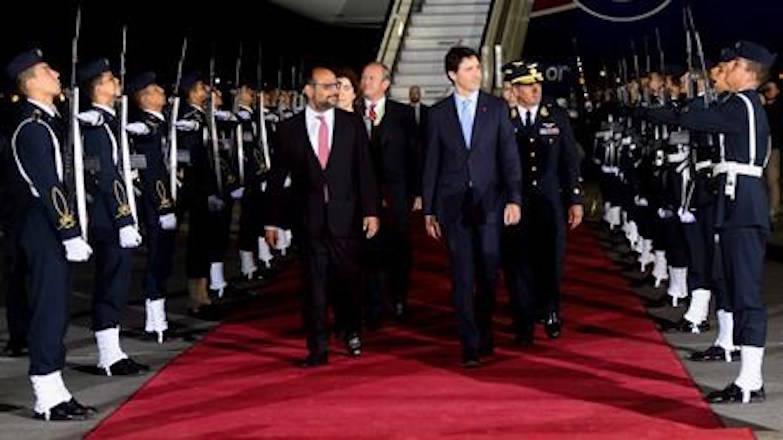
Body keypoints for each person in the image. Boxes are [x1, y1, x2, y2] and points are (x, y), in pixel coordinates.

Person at [669, 41, 775, 404]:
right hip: (733, 206)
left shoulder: (741, 104)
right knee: (729, 285)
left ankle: (750, 380)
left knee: (746, 294)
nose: (723, 72)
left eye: (729, 67)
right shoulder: (738, 105)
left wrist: (695, 94)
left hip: (743, 209)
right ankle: (734, 355)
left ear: (746, 71)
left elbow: (689, 118)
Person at [265, 66, 379, 367]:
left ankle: (351, 330)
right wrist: (272, 220)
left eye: (336, 86)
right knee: (314, 286)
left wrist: (371, 211)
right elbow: (278, 177)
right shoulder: (288, 129)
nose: (333, 91)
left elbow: (364, 171)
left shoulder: (352, 125)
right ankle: (317, 348)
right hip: (309, 220)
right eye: (327, 86)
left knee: (348, 280)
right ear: (308, 90)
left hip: (347, 218)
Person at [5, 49, 96, 420]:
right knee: (49, 309)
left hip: (50, 225)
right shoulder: (33, 126)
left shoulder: (49, 122)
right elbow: (49, 186)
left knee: (56, 310)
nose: (56, 72)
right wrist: (69, 232)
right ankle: (46, 395)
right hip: (45, 227)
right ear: (30, 82)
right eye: (47, 69)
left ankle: (56, 390)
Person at [421, 46, 522, 368]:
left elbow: (509, 157)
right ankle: (469, 343)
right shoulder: (437, 114)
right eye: (469, 69)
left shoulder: (496, 108)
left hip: (490, 203)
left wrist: (514, 199)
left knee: (489, 273)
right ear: (453, 74)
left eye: (478, 67)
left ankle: (485, 329)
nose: (477, 73)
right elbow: (431, 164)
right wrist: (429, 210)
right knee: (463, 275)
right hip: (453, 206)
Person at [501, 61, 583, 343]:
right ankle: (523, 317)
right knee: (517, 261)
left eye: (537, 84)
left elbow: (570, 161)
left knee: (551, 260)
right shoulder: (504, 116)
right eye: (526, 84)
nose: (535, 89)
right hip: (516, 202)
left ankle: (550, 310)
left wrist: (575, 199)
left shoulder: (555, 115)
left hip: (550, 202)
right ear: (514, 89)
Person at [76, 58, 148, 375]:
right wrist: (123, 219)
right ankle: (108, 354)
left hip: (114, 212)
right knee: (112, 281)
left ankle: (113, 350)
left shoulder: (110, 120)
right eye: (109, 78)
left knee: (117, 280)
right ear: (97, 88)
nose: (117, 81)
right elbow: (106, 176)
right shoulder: (96, 124)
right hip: (107, 216)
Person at [359, 62, 419, 326]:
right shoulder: (353, 112)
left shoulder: (403, 114)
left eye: (372, 78)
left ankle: (398, 298)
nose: (366, 82)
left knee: (399, 250)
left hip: (397, 196)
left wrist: (417, 192)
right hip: (364, 197)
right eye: (364, 77)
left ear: (385, 84)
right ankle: (373, 304)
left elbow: (415, 154)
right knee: (369, 252)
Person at [126, 71, 178, 343]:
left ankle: (159, 318)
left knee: (164, 260)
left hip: (168, 197)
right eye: (155, 90)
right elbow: (153, 172)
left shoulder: (161, 122)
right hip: (156, 203)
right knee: (157, 260)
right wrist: (163, 205)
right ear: (144, 97)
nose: (162, 92)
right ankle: (154, 322)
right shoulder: (145, 127)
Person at [762, 80, 781, 221]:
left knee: (772, 179)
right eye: (766, 89)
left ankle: (773, 209)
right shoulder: (761, 107)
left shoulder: (778, 108)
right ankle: (764, 208)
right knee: (761, 180)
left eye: (771, 89)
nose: (768, 91)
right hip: (761, 148)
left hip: (773, 148)